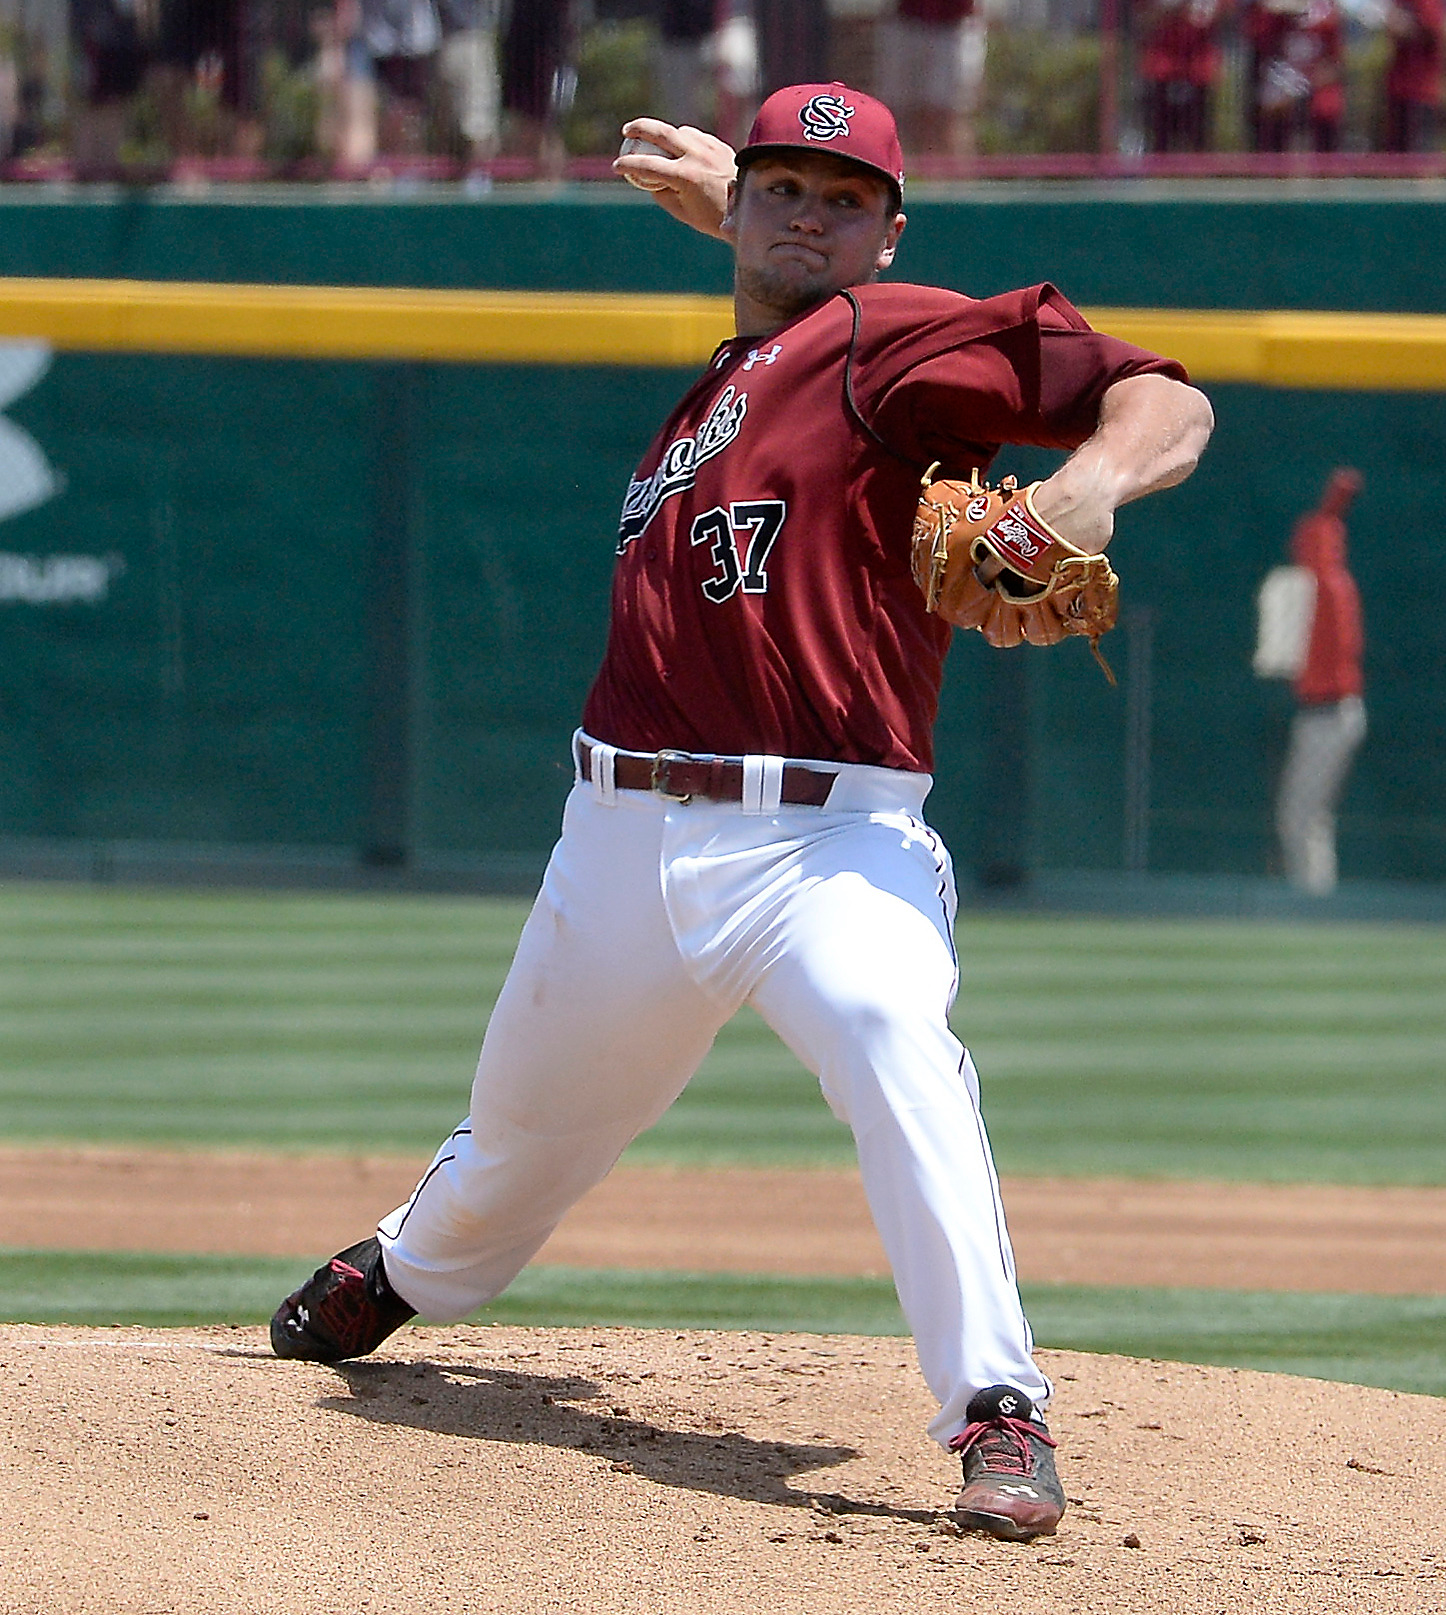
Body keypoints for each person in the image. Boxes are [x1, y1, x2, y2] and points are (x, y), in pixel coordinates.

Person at [269, 82, 1213, 1541]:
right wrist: (744, 208)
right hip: (619, 837)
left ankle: (994, 1407)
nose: (809, 212)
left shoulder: (885, 336)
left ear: (891, 235)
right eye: (785, 185)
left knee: (891, 1030)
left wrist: (1083, 490)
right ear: (742, 205)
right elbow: (779, 271)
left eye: (847, 200)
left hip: (826, 843)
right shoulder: (725, 384)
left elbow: (1165, 397)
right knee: (519, 1134)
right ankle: (400, 1272)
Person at [1254, 468, 1366, 895]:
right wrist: (1333, 506)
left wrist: (1331, 508)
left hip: (1331, 715)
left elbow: (1320, 542)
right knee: (1305, 814)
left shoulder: (1331, 587)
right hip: (1323, 715)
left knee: (1301, 815)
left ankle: (1314, 902)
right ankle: (1315, 896)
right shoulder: (1323, 584)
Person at [877, 0, 985, 158]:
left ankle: (950, 178)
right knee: (900, 114)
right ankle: (906, 174)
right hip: (907, 20)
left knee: (950, 115)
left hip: (954, 24)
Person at [1247, 0, 1345, 153]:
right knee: (1272, 121)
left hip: (1314, 92)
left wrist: (1303, 89)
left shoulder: (1326, 19)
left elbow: (1334, 64)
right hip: (1282, 85)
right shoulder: (1272, 21)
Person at [1137, 0, 1228, 153]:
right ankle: (1159, 169)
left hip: (1198, 67)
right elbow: (1142, 18)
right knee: (1160, 134)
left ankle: (1199, 169)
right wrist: (1168, 9)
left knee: (1199, 134)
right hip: (1162, 65)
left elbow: (1225, 13)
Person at [1380, 0, 1443, 152]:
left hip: (1419, 92)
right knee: (1396, 156)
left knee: (1416, 160)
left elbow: (1435, 31)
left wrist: (1407, 28)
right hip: (1398, 89)